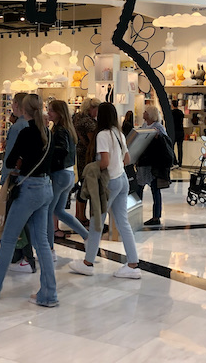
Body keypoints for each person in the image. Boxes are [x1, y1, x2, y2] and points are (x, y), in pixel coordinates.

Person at [0, 94, 57, 306]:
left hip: (28, 189)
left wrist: (20, 163)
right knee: (42, 243)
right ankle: (49, 293)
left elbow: (9, 160)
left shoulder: (25, 132)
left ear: (23, 110)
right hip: (46, 187)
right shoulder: (48, 132)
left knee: (8, 238)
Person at [69, 101, 140, 279]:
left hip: (109, 183)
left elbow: (105, 162)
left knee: (96, 223)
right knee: (122, 222)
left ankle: (88, 263)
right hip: (122, 179)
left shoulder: (102, 135)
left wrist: (91, 168)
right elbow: (127, 159)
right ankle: (133, 264)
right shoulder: (118, 133)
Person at [47, 99, 89, 251]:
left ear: (59, 113)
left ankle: (49, 249)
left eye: (51, 110)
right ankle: (86, 236)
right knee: (58, 211)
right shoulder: (68, 129)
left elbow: (61, 150)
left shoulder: (60, 130)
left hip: (60, 174)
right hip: (69, 174)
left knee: (49, 211)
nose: (48, 113)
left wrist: (49, 156)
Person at [3, 92, 36, 273]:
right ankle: (19, 255)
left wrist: (7, 178)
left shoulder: (18, 128)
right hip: (29, 179)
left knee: (16, 219)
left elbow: (11, 156)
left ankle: (25, 256)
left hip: (16, 178)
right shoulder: (33, 126)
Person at [136, 105, 169, 226]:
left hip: (153, 164)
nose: (143, 113)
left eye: (145, 112)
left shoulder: (158, 127)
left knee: (155, 190)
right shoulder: (145, 126)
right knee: (139, 189)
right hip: (143, 163)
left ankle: (156, 217)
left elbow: (164, 143)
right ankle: (136, 214)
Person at [72, 97, 100, 226]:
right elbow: (92, 141)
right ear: (91, 108)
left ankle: (79, 215)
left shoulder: (77, 118)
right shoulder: (88, 122)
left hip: (79, 154)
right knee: (86, 186)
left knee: (82, 184)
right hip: (87, 156)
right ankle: (81, 216)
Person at [171, 100, 185, 167]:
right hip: (181, 131)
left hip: (174, 132)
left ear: (172, 105)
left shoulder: (171, 113)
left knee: (171, 147)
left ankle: (175, 161)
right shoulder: (180, 112)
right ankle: (180, 163)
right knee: (180, 148)